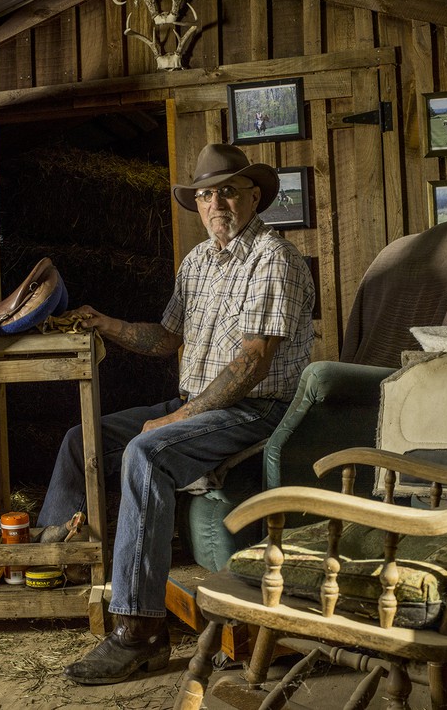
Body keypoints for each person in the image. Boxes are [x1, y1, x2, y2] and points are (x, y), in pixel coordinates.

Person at [37, 142, 316, 685]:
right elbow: (167, 340)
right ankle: (57, 564)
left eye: (229, 191)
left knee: (145, 453)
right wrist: (104, 323)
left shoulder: (273, 258)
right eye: (207, 194)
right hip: (198, 399)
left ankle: (139, 635)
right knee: (81, 438)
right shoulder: (197, 262)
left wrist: (175, 421)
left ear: (253, 196)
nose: (217, 203)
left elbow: (254, 363)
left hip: (260, 409)